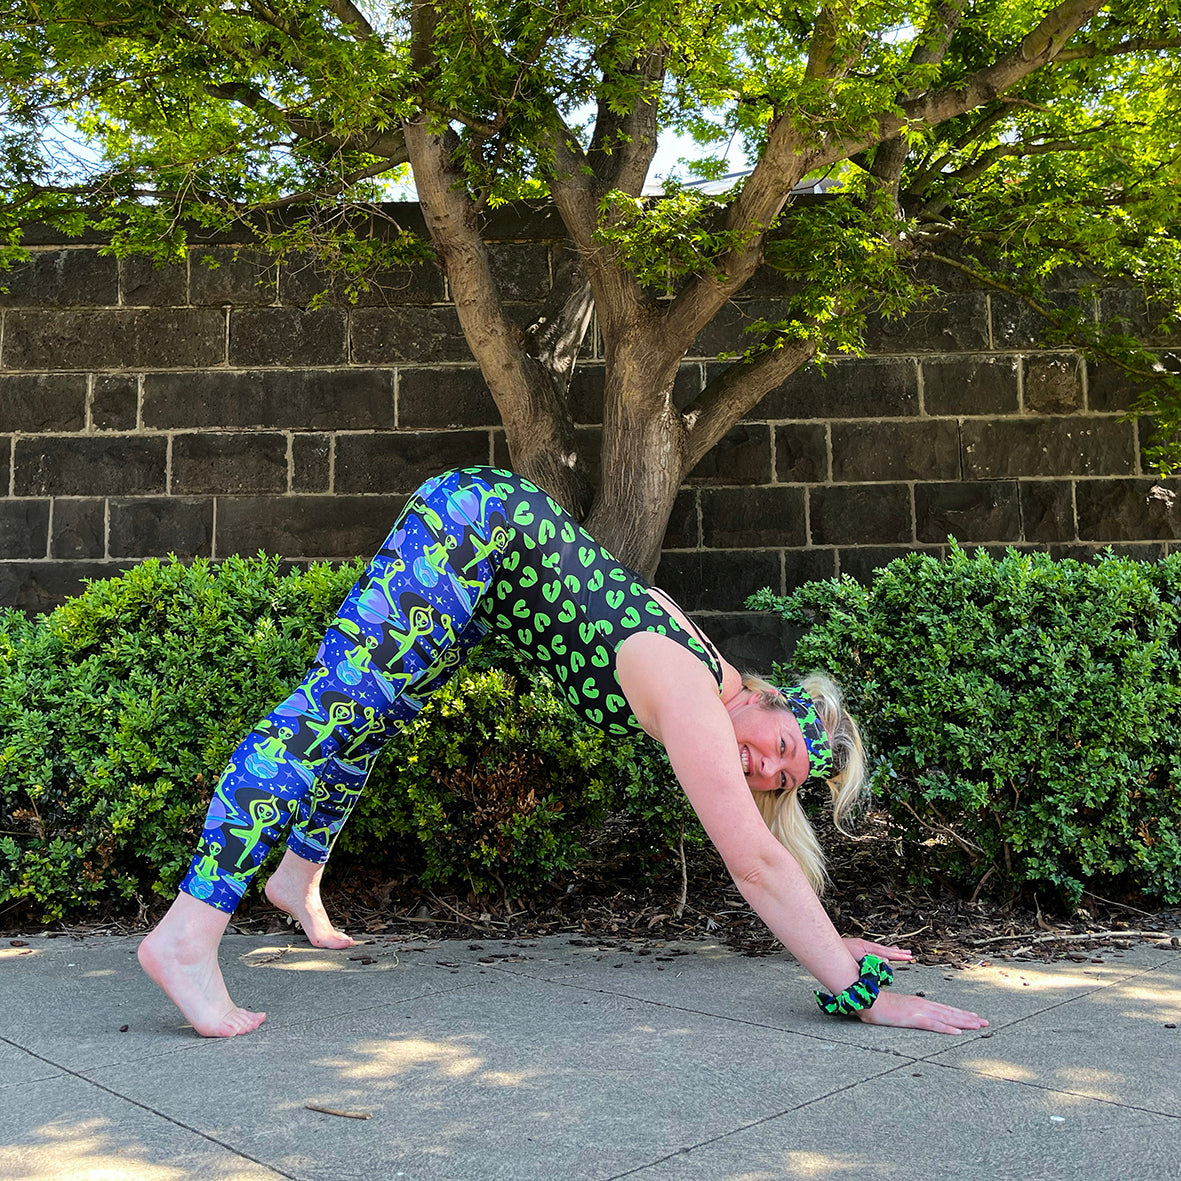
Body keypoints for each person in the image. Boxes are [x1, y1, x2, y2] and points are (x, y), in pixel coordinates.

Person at [139, 466, 986, 1038]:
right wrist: (856, 987)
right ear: (769, 695)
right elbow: (755, 864)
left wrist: (838, 939)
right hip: (471, 528)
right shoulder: (695, 692)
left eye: (783, 780)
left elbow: (635, 596)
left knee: (373, 713)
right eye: (783, 747)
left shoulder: (695, 653)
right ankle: (186, 933)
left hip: (480, 569)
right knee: (324, 714)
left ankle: (296, 878)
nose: (765, 769)